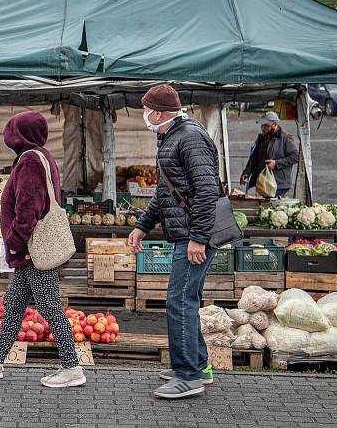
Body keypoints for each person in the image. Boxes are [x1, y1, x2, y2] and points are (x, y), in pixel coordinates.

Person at [0, 111, 85, 388]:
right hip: (29, 251)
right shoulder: (41, 157)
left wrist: (16, 241)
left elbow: (27, 210)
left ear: (19, 135)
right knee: (14, 305)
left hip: (32, 249)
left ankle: (72, 367)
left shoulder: (30, 161)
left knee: (50, 306)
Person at [127, 85, 221, 399]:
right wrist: (142, 226)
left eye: (145, 109)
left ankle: (188, 376)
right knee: (186, 299)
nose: (144, 115)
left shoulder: (190, 137)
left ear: (157, 112)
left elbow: (208, 191)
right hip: (186, 234)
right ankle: (198, 366)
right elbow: (165, 193)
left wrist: (198, 239)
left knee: (179, 301)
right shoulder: (170, 136)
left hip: (193, 236)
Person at [240, 111, 299, 198]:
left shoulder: (286, 138)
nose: (263, 128)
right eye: (262, 125)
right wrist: (246, 173)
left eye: (266, 125)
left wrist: (276, 163)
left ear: (274, 124)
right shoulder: (261, 138)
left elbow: (295, 157)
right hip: (263, 182)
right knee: (264, 207)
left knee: (272, 207)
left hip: (279, 183)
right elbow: (254, 158)